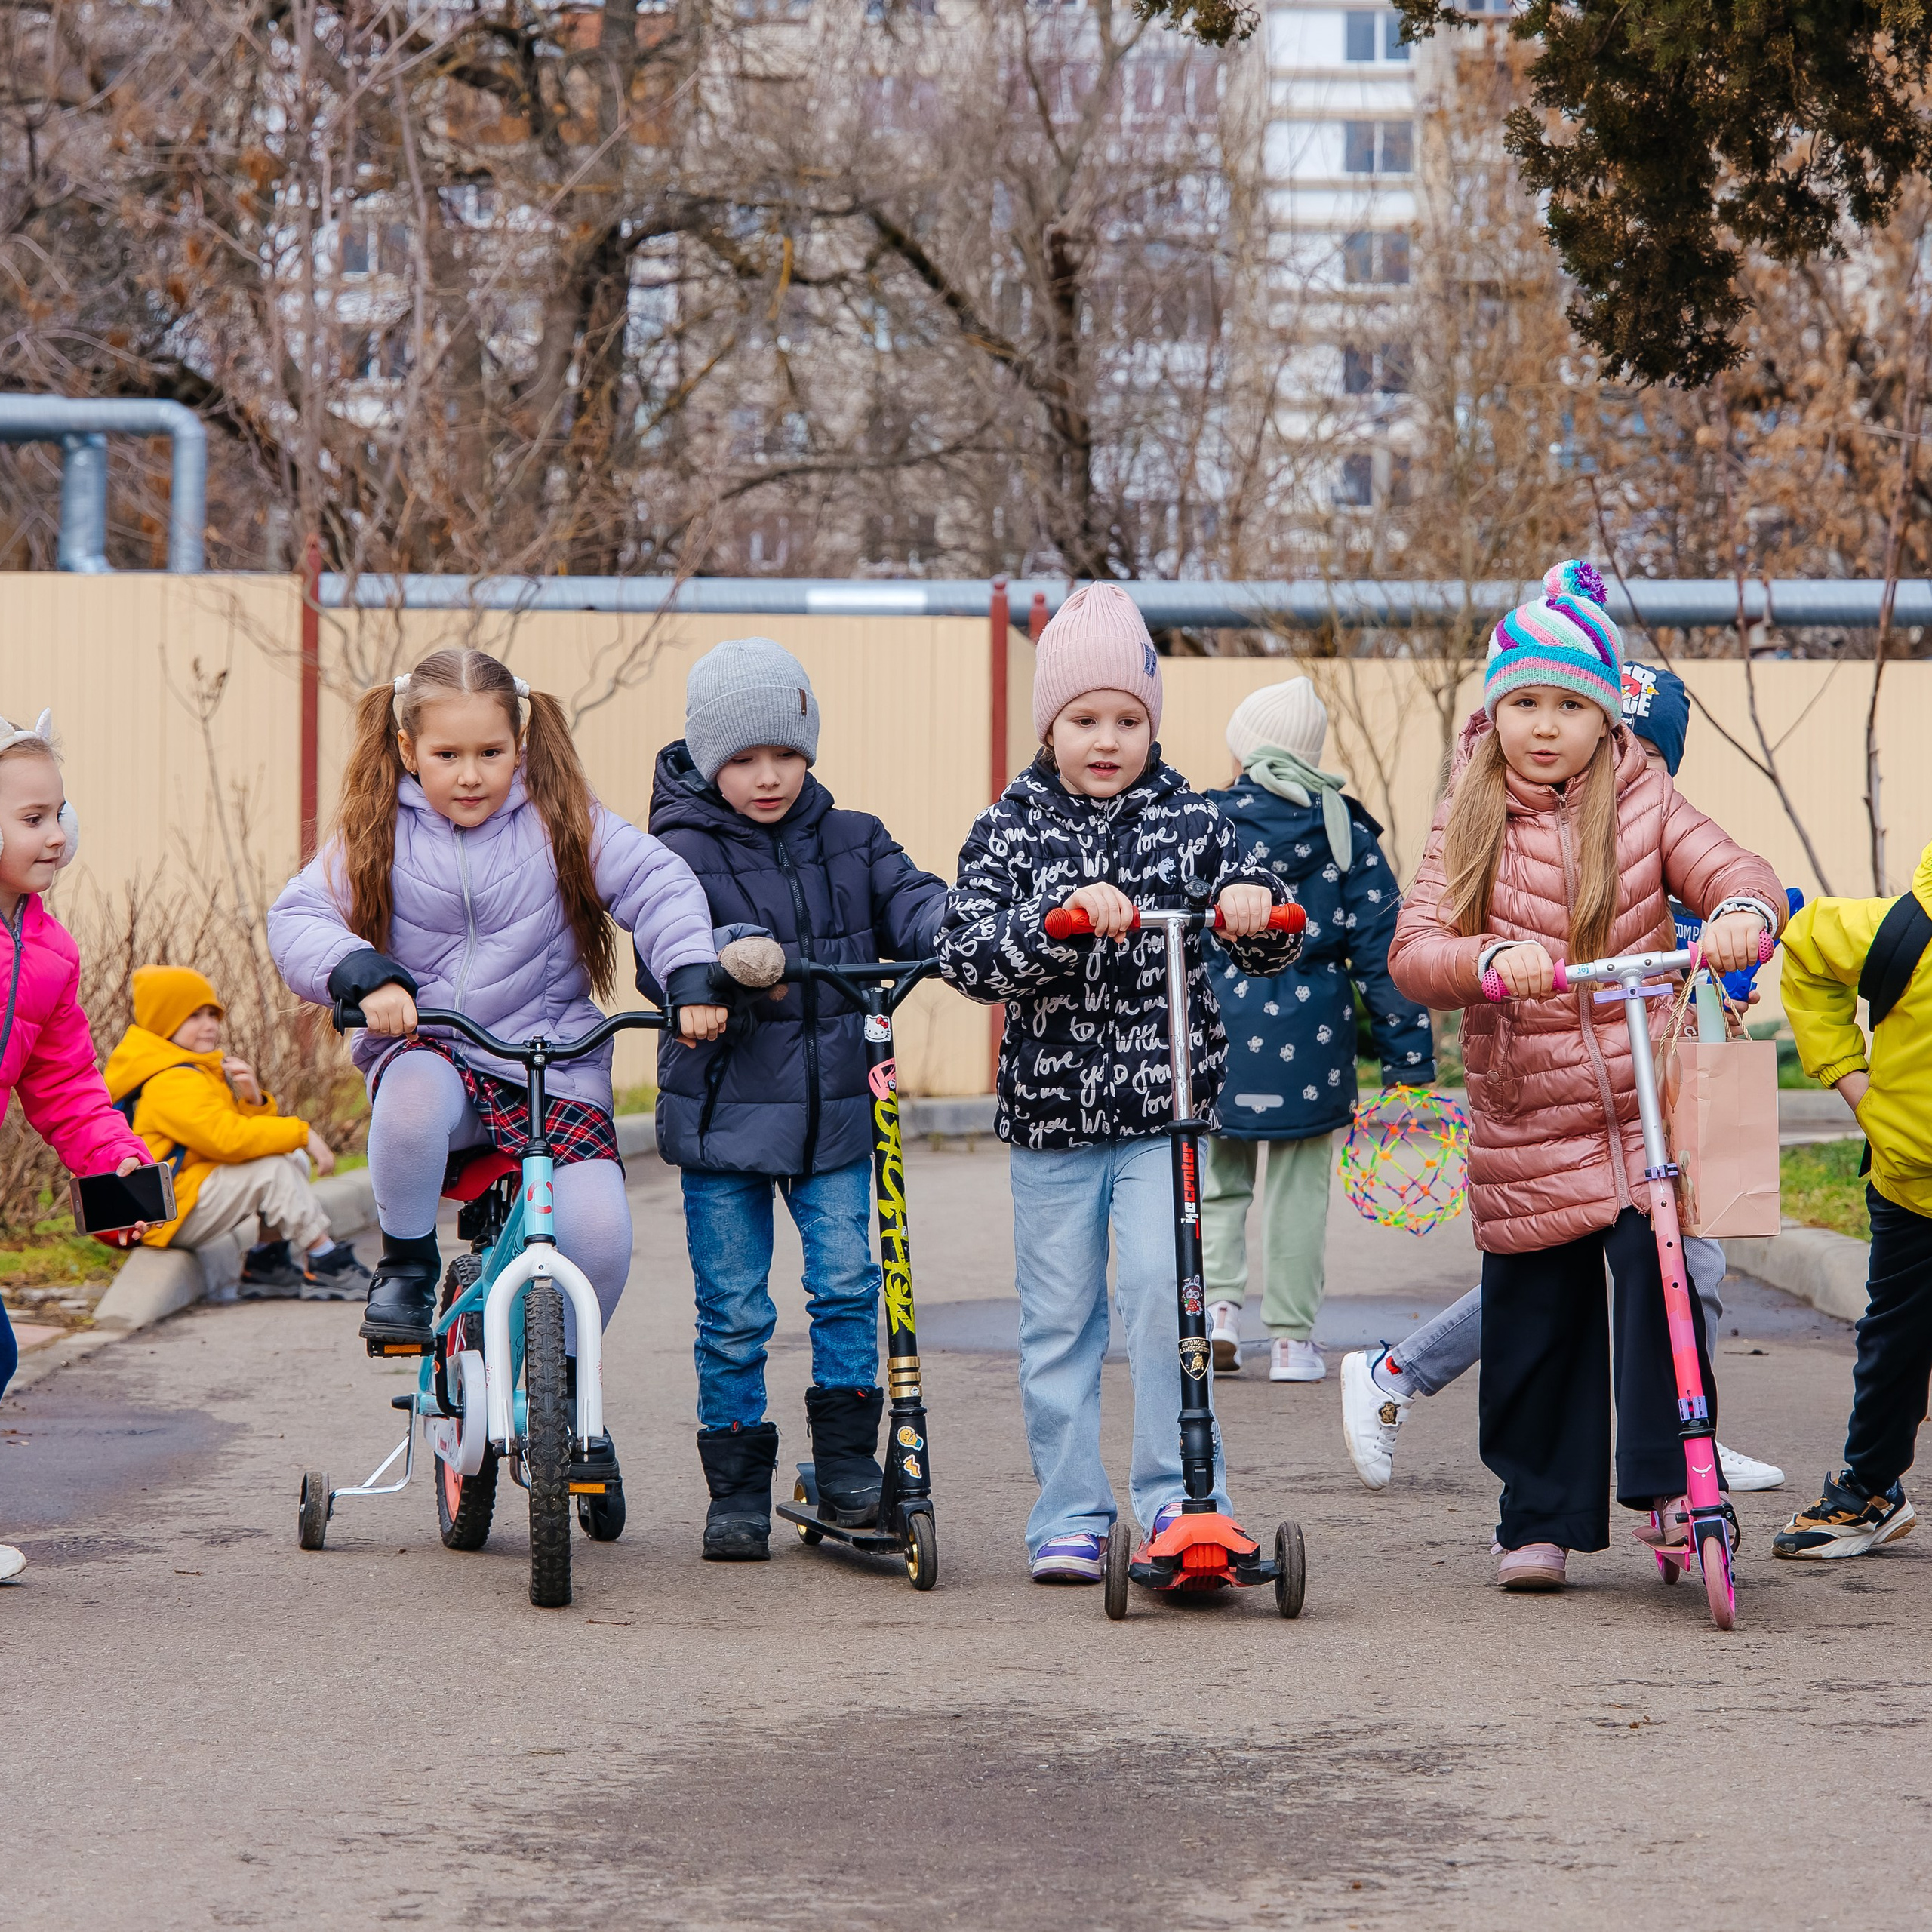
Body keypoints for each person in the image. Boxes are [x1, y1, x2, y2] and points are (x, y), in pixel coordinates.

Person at [1386, 562, 1785, 1592]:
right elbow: (1415, 949)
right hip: (1531, 1110)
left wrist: (1745, 911)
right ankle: (1539, 1517)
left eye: (1570, 705)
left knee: (1664, 1282)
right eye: (1525, 703)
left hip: (1644, 1106)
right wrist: (1484, 959)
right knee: (1536, 1315)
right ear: (1496, 713)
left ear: (1607, 715)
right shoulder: (1468, 815)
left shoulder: (1645, 797)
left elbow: (1734, 868)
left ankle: (1673, 1481)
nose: (1546, 726)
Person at [937, 583, 1302, 1583]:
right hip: (1052, 1120)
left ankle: (1182, 1502)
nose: (1107, 740)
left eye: (1128, 721)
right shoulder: (1009, 830)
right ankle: (1066, 1512)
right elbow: (966, 952)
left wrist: (1253, 902)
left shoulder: (1192, 820)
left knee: (1160, 1296)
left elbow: (1273, 923)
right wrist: (1053, 920)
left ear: (1153, 726)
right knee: (1059, 1321)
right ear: (1049, 726)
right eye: (1085, 719)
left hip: (1161, 1115)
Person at [268, 648, 719, 1380]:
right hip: (433, 1046)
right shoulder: (378, 831)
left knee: (599, 1233)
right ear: (409, 750)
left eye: (491, 753)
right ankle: (407, 1266)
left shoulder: (563, 821)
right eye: (447, 755)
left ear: (521, 744)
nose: (470, 775)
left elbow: (657, 883)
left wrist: (690, 973)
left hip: (551, 1062)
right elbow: (298, 917)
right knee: (409, 1104)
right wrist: (362, 973)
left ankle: (567, 1389)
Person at [641, 638, 948, 1561]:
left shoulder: (855, 837)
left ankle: (848, 1464)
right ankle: (737, 1488)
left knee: (849, 1287)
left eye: (785, 753)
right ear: (708, 758)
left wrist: (956, 926)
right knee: (734, 1310)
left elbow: (911, 899)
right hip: (723, 1120)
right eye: (743, 758)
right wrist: (726, 955)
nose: (768, 776)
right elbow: (667, 936)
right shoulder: (676, 849)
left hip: (837, 1117)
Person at [1200, 676, 1434, 1383]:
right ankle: (1292, 1343)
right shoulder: (1346, 833)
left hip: (1218, 1032)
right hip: (1311, 1045)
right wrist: (1408, 1064)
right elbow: (1385, 955)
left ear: (1244, 751)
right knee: (1298, 1194)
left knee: (1216, 1181)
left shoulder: (1204, 825)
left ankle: (1216, 1313)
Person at [0, 711, 156, 1586]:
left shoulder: (49, 951)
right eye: (32, 818)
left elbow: (65, 1085)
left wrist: (114, 1162)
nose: (56, 834)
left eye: (60, 813)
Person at [1770, 840, 1932, 1559]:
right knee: (1894, 1346)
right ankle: (1870, 1490)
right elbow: (1805, 947)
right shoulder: (1907, 927)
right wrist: (1850, 1079)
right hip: (1915, 1187)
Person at [101, 966, 367, 1297]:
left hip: (188, 1194)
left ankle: (267, 1261)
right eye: (194, 1015)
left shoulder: (190, 1068)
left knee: (290, 1159)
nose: (209, 1024)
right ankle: (326, 1259)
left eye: (212, 1014)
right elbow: (227, 1139)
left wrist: (253, 1100)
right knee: (273, 1170)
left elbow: (233, 1137)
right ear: (163, 1020)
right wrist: (303, 1133)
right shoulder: (170, 1081)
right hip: (165, 1215)